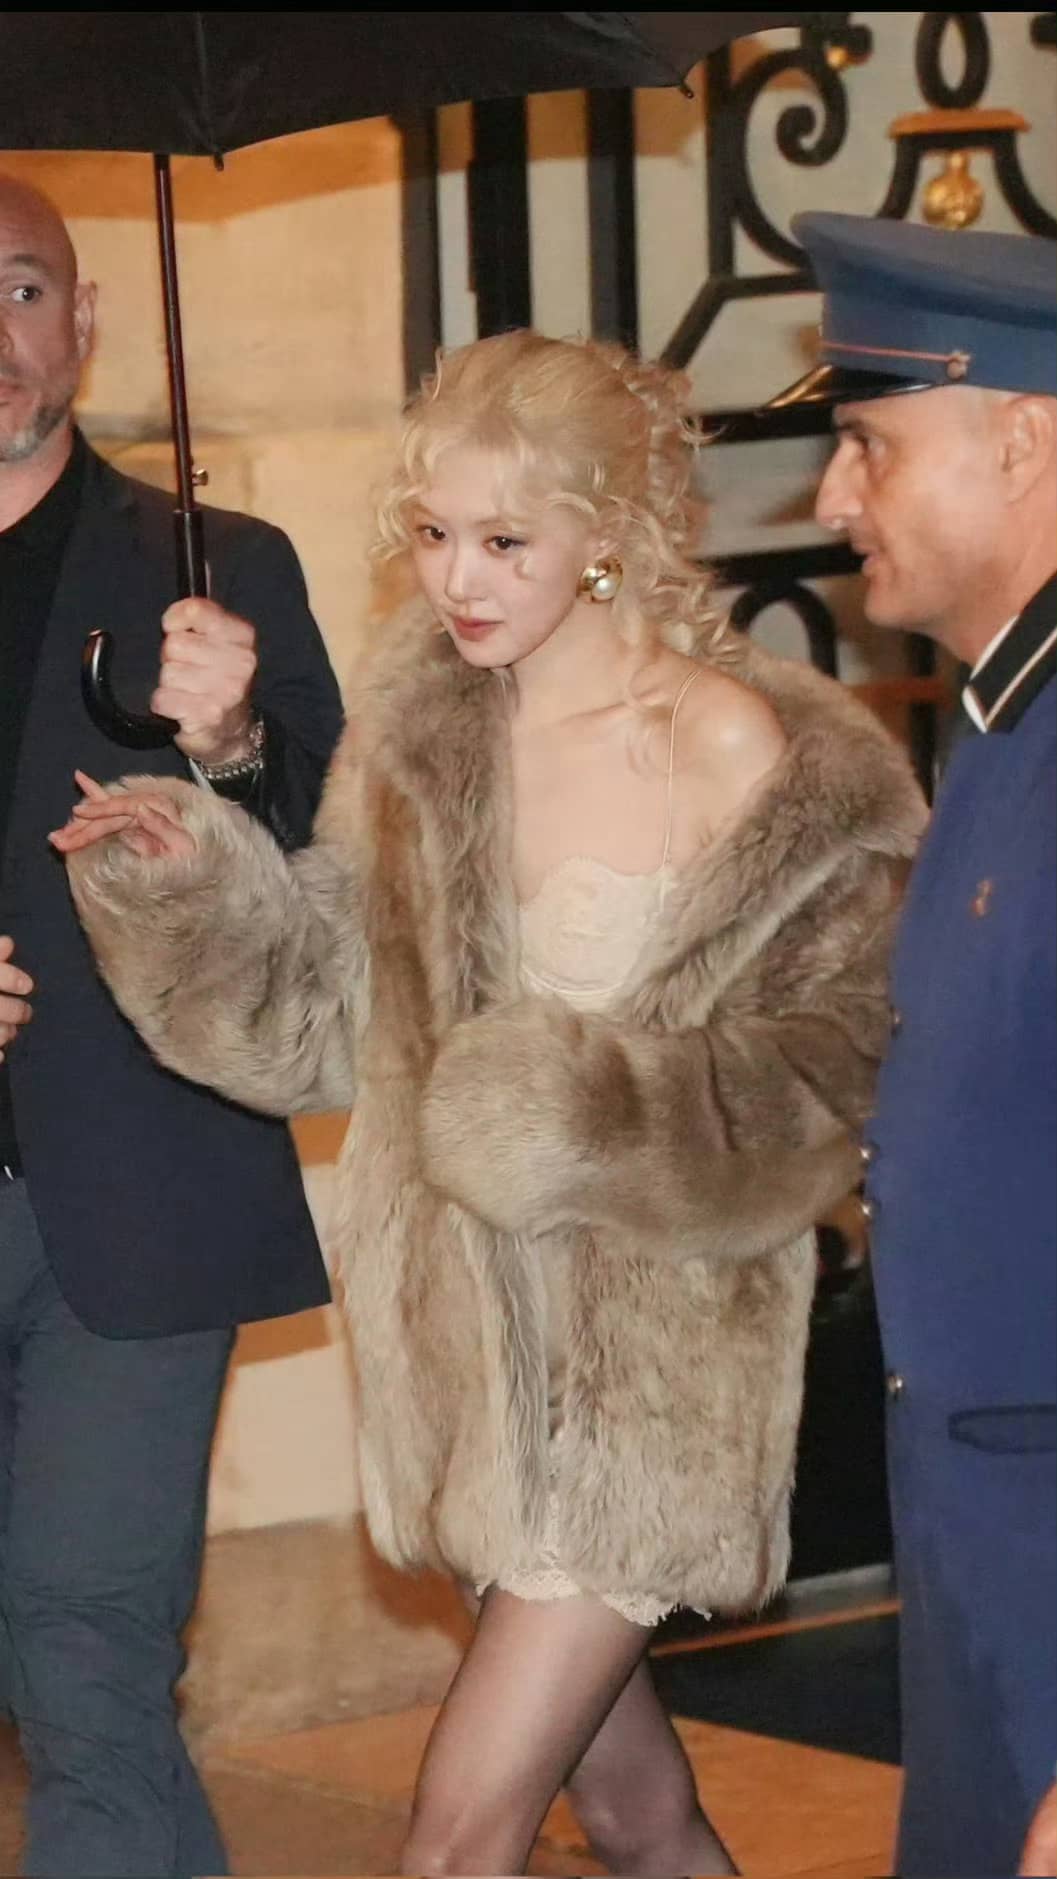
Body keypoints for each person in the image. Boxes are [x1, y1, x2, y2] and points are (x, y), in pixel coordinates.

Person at [53, 328, 924, 1878]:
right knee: (643, 1821)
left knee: (455, 1841)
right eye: (434, 533)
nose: (456, 579)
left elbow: (825, 1070)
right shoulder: (427, 732)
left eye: (505, 541)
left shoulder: (734, 744)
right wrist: (187, 889)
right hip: (463, 1368)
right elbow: (334, 1018)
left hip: (650, 1371)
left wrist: (568, 1116)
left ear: (607, 532)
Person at [0, 174, 343, 1877]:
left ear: (84, 319)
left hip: (131, 1195)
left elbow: (342, 869)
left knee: (85, 1650)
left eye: (19, 290)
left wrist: (231, 751)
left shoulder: (215, 570)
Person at [767, 211, 1056, 1879]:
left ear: (1020, 439)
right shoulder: (1005, 721)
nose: (829, 496)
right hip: (981, 1568)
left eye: (868, 442)